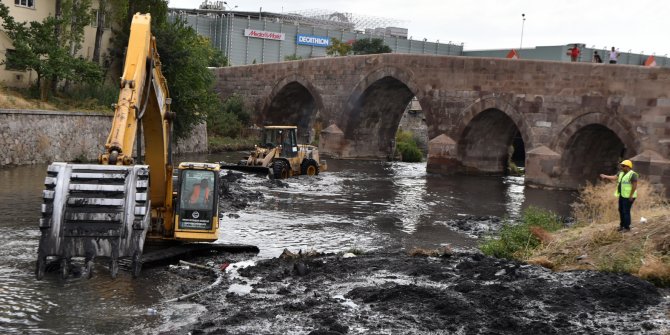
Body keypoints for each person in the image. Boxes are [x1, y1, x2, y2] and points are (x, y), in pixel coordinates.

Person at [599, 160, 638, 232]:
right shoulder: (621, 173)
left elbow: (634, 186)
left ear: (628, 167)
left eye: (623, 166)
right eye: (621, 166)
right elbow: (614, 177)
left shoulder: (633, 174)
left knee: (626, 211)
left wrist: (631, 196)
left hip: (629, 196)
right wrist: (605, 176)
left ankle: (627, 227)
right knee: (621, 210)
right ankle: (622, 226)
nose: (621, 167)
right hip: (622, 195)